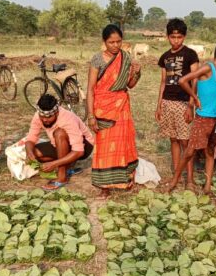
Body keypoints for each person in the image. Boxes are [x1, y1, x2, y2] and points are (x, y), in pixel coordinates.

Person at [165, 41, 216, 194]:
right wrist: (194, 98)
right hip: (203, 118)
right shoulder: (207, 68)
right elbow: (183, 80)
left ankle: (207, 186)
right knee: (190, 152)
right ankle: (174, 181)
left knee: (210, 151)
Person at [86, 24, 140, 193]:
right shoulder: (97, 59)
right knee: (104, 146)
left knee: (122, 143)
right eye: (111, 42)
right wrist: (91, 116)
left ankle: (124, 180)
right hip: (102, 108)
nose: (115, 45)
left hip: (121, 106)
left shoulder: (126, 58)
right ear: (104, 42)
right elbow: (90, 88)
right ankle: (105, 186)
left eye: (118, 42)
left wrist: (137, 73)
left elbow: (130, 84)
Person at [155, 18, 199, 189]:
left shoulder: (190, 55)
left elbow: (194, 81)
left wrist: (191, 105)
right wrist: (159, 105)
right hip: (167, 102)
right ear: (167, 37)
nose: (176, 40)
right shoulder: (164, 57)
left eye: (179, 37)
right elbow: (163, 82)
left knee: (185, 142)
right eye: (173, 37)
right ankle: (177, 176)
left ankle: (189, 180)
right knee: (173, 139)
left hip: (183, 103)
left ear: (184, 37)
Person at [25, 93, 95, 190]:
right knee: (35, 152)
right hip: (60, 144)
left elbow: (79, 151)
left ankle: (62, 177)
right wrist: (29, 153)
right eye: (42, 117)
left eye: (49, 117)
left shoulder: (67, 118)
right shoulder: (38, 116)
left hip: (84, 146)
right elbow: (31, 138)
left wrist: (54, 164)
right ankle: (68, 167)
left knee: (59, 133)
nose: (45, 120)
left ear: (56, 112)